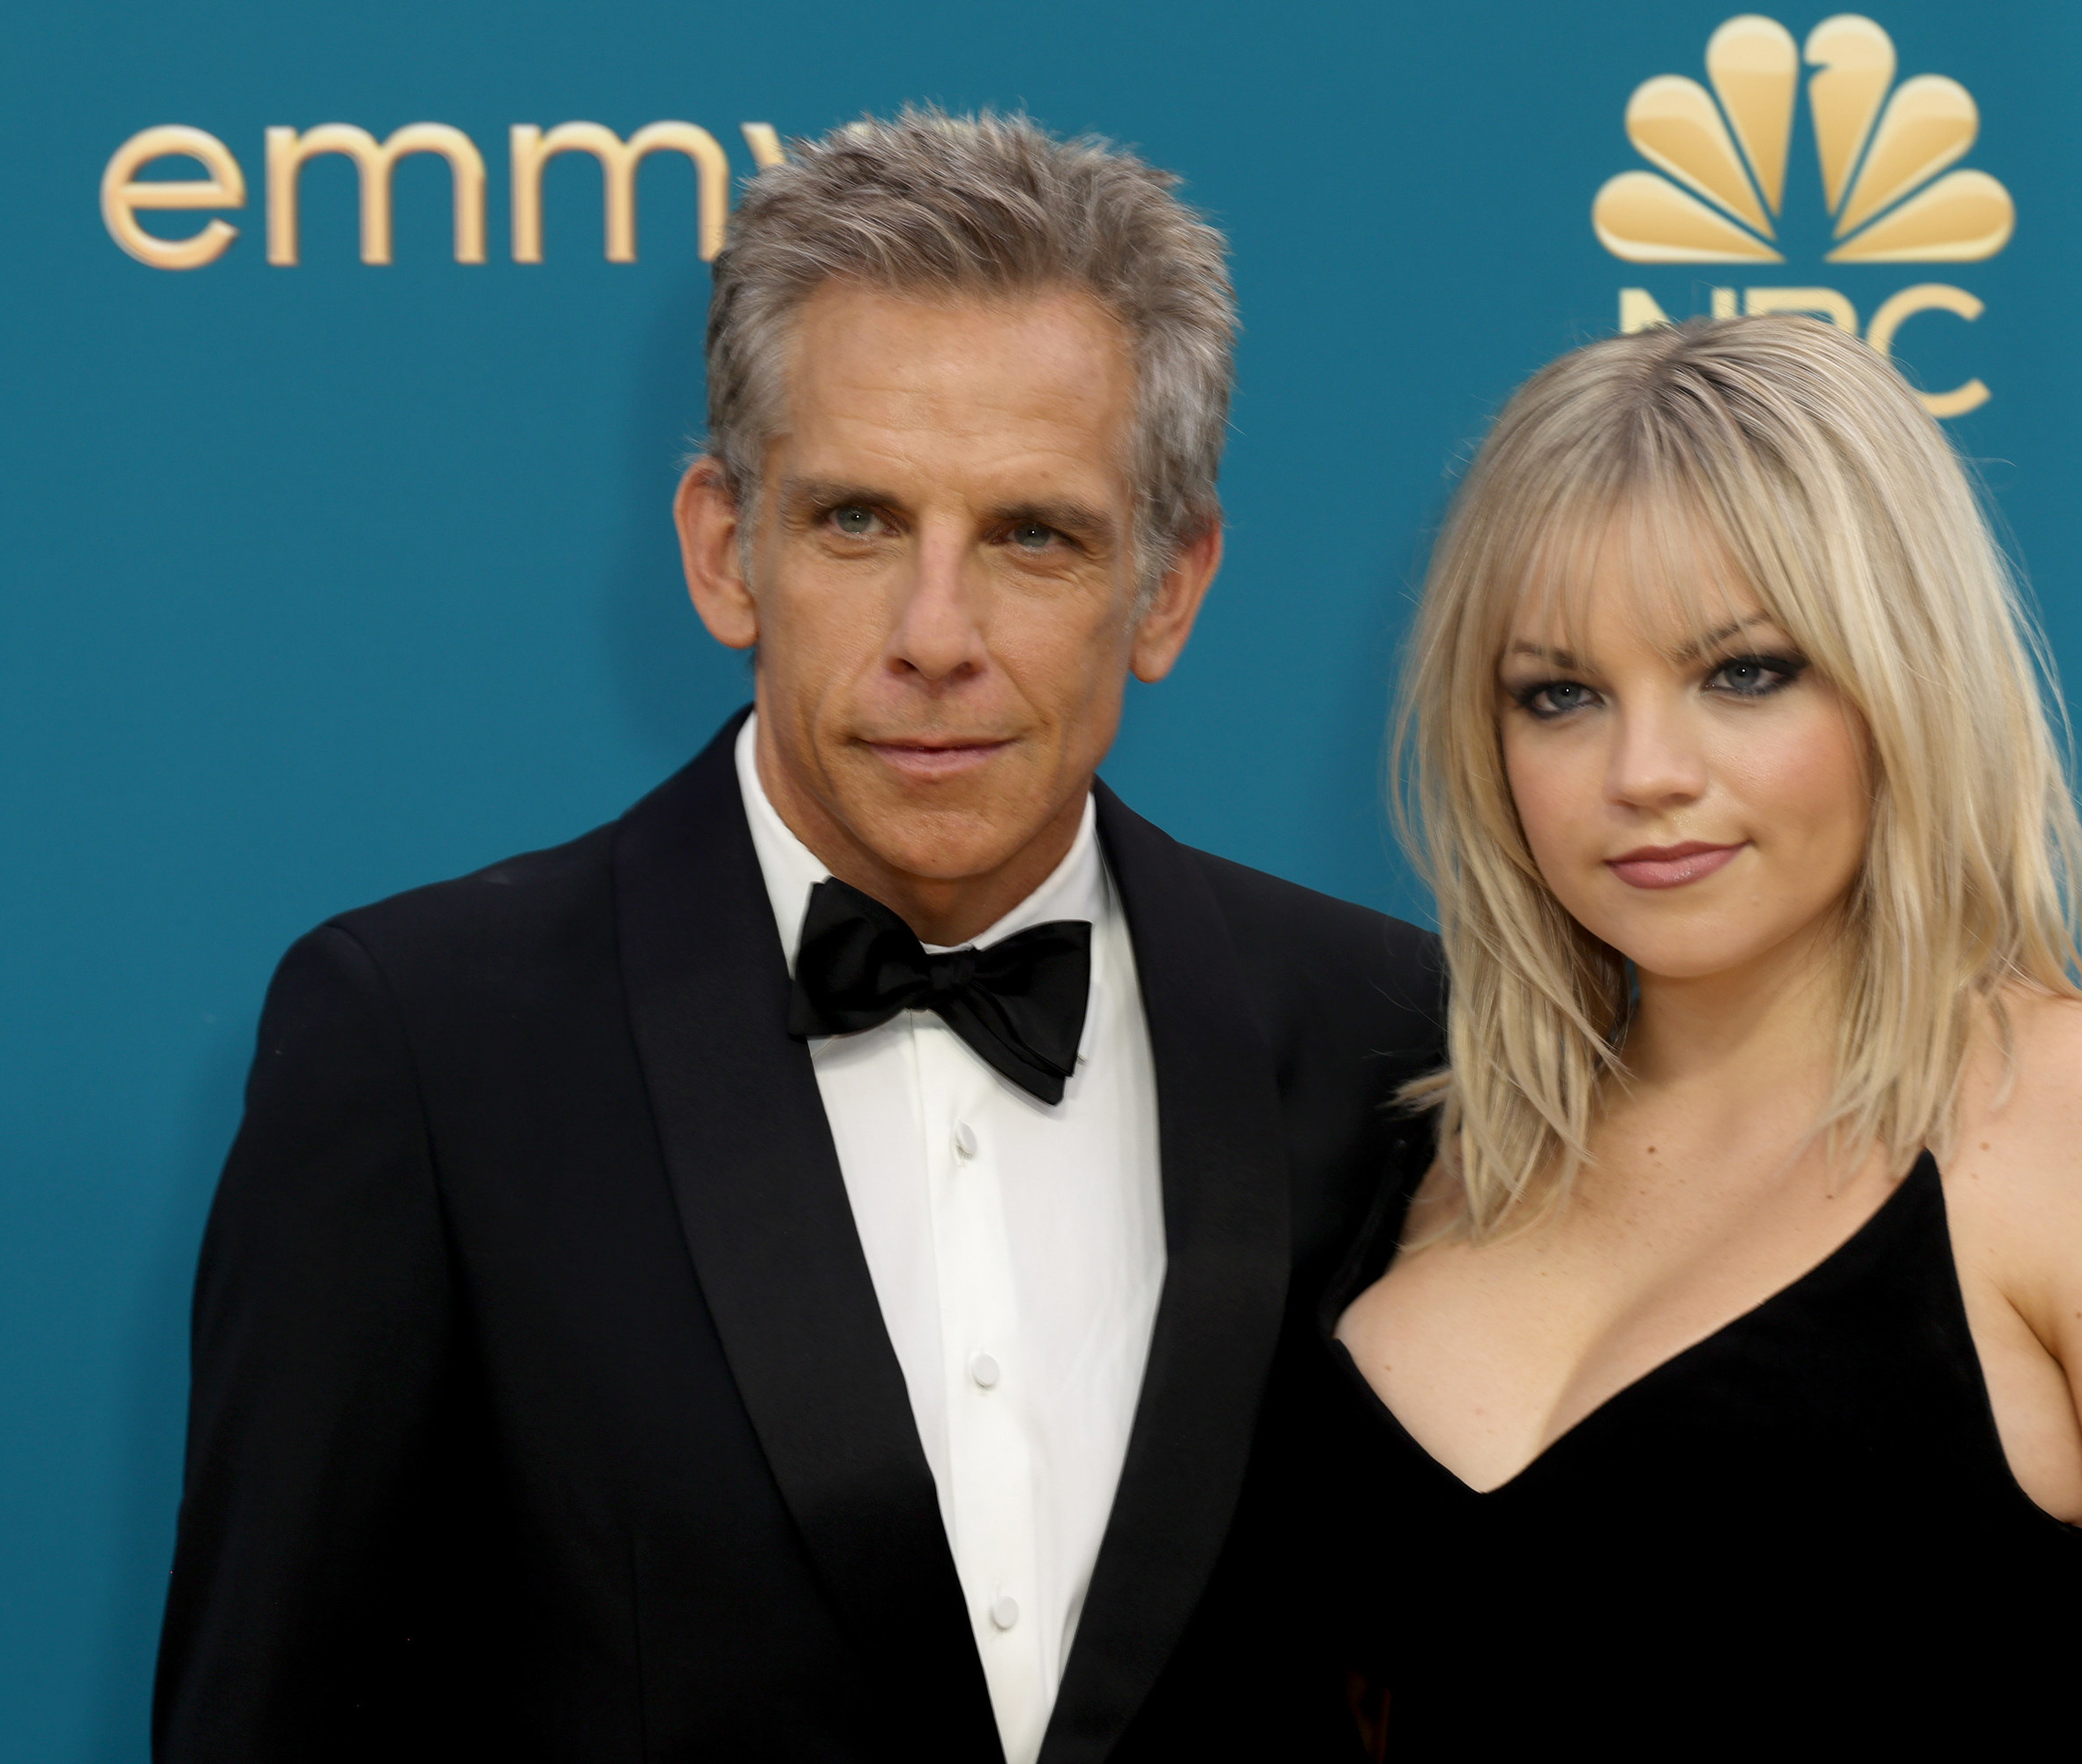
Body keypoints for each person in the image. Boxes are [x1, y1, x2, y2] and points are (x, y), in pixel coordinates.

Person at [154, 108, 1439, 1764]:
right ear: (722, 547)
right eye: (858, 522)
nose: (936, 638)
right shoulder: (423, 1044)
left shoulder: (1383, 1035)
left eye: (1033, 537)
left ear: (1171, 587)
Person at [1321, 318, 2082, 1761]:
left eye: (1745, 673)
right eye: (1563, 695)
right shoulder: (1429, 1149)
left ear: (1899, 684)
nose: (1645, 774)